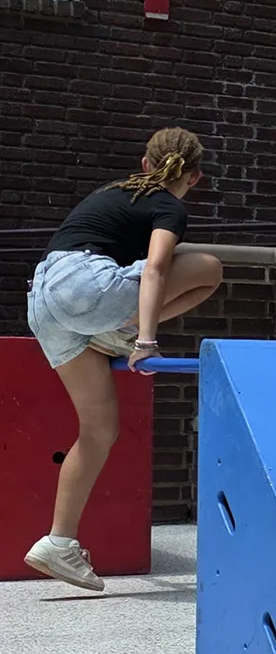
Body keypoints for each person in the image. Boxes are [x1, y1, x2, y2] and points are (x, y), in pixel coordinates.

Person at [22, 128, 224, 591]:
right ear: (194, 177)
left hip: (45, 304)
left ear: (146, 163)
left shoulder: (113, 192)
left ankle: (58, 543)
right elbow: (154, 269)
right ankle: (123, 332)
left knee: (98, 431)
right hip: (87, 286)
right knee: (207, 267)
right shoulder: (169, 206)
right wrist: (146, 341)